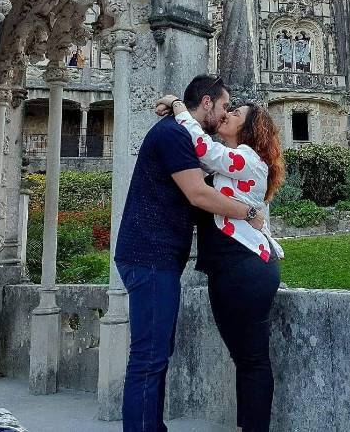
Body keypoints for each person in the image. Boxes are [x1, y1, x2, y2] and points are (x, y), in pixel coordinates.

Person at [114, 75, 266, 432]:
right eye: (225, 106)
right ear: (208, 103)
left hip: (157, 256)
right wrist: (248, 213)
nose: (227, 113)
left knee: (155, 356)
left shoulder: (184, 136)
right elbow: (198, 194)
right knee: (149, 358)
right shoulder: (174, 135)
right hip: (150, 254)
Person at [155, 95, 285, 432]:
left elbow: (205, 151)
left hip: (246, 267)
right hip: (227, 268)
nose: (227, 114)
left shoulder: (248, 159)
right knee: (243, 358)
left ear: (251, 127)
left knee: (253, 359)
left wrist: (181, 110)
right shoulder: (231, 160)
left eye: (236, 113)